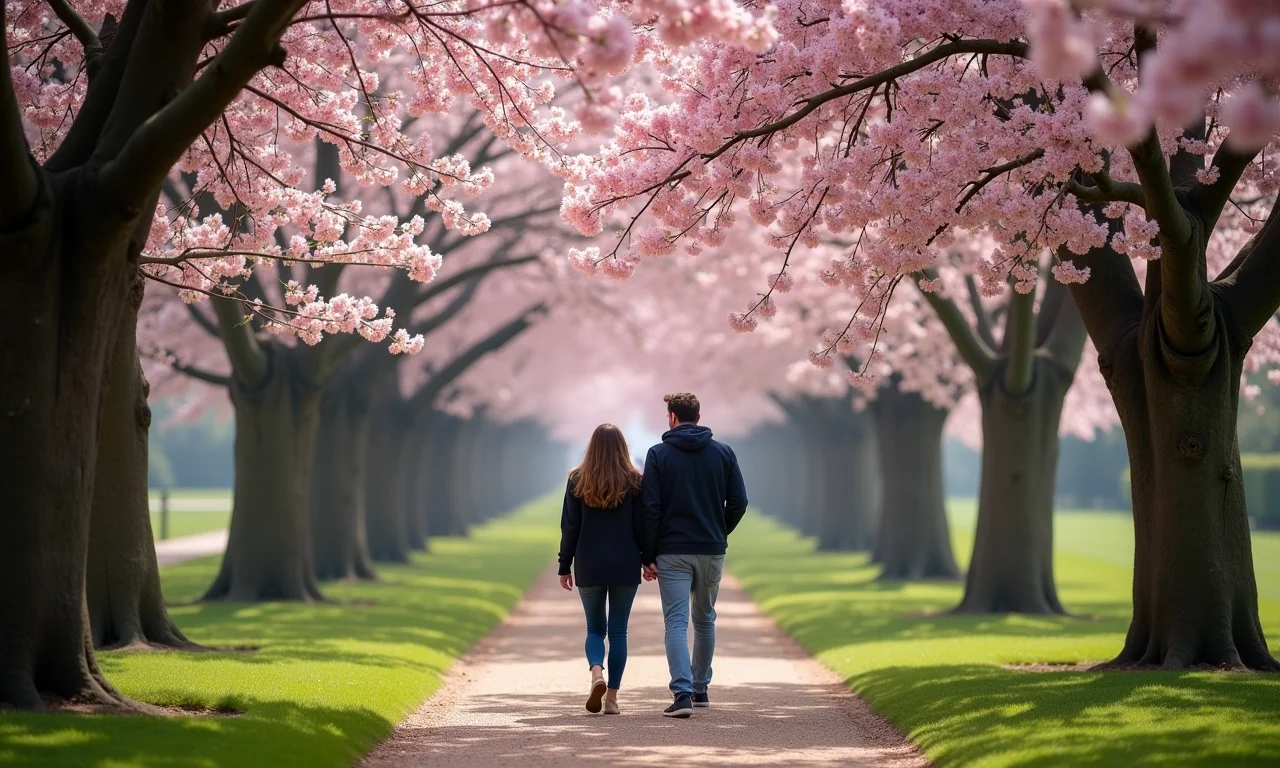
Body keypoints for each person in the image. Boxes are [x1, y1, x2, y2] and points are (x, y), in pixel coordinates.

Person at [640, 392, 748, 718]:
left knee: (675, 622)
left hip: (672, 550)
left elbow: (650, 509)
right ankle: (701, 689)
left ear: (672, 417)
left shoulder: (658, 455)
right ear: (698, 417)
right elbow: (739, 502)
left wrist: (648, 553)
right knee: (705, 619)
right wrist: (719, 531)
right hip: (711, 549)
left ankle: (682, 694)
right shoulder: (724, 453)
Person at [557, 423, 651, 715]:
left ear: (592, 446)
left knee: (595, 628)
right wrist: (648, 559)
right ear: (623, 448)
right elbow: (643, 527)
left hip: (589, 563)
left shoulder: (577, 480)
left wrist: (564, 565)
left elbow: (570, 527)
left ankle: (597, 672)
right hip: (624, 564)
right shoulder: (636, 481)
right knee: (619, 632)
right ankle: (611, 699)